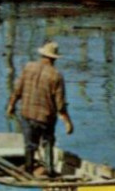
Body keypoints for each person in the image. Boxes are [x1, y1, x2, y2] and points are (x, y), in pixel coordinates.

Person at [6, 41, 73, 175]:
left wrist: (11, 106)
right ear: (54, 58)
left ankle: (29, 170)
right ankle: (49, 171)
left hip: (27, 113)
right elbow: (60, 105)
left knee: (29, 145)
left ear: (42, 55)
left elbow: (17, 90)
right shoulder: (56, 76)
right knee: (48, 142)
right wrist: (67, 122)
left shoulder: (28, 67)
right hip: (45, 117)